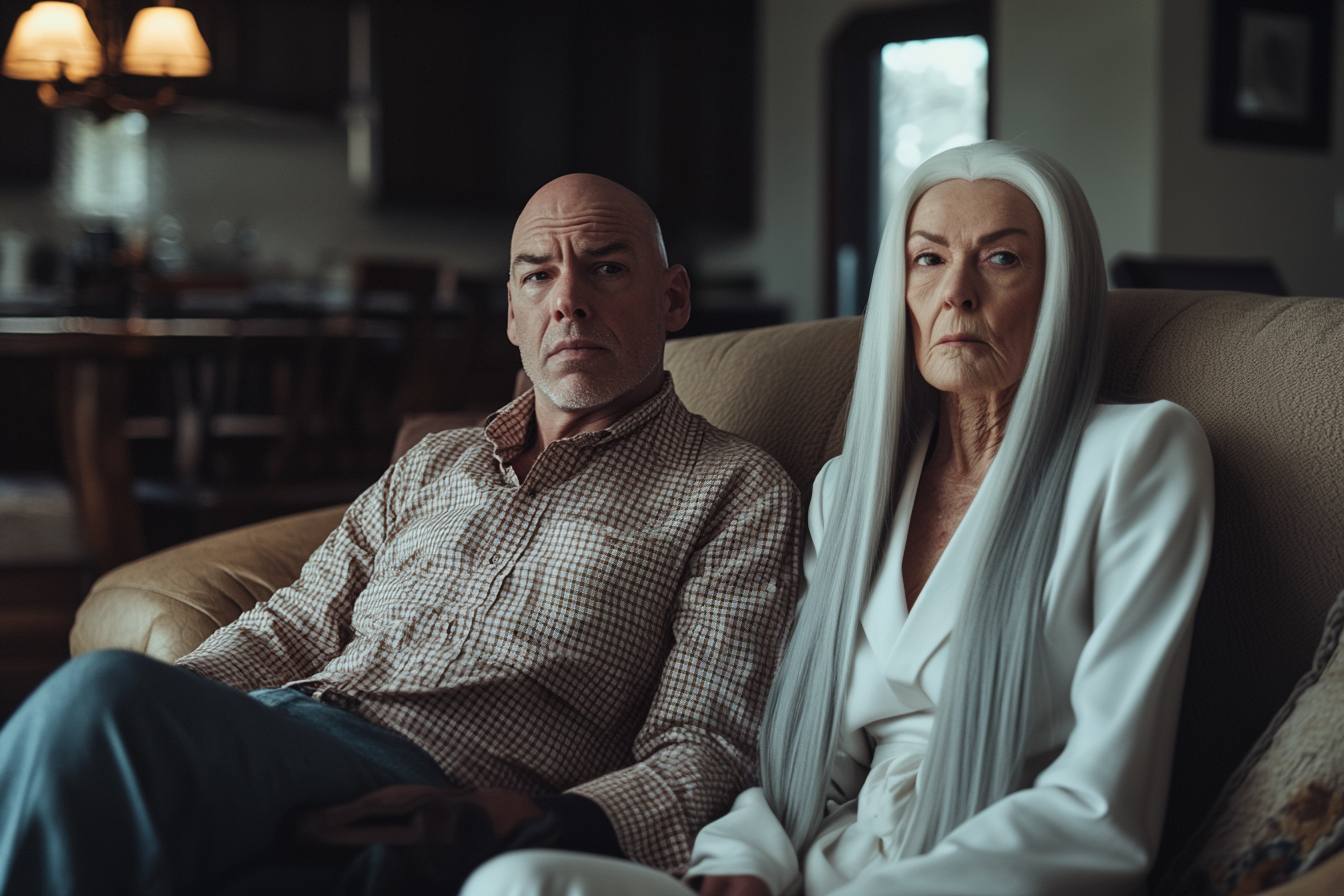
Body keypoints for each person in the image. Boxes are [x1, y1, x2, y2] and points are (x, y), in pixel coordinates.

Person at [0, 174, 801, 895]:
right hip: (294, 732)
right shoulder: (436, 463)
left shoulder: (733, 489)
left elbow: (705, 745)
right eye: (538, 275)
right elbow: (295, 623)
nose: (569, 299)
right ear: (515, 317)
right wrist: (177, 713)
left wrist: (528, 823)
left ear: (673, 301)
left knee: (97, 700)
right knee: (105, 726)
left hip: (439, 788)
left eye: (607, 267)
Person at [459, 141, 1215, 896]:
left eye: (1002, 260)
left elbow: (1101, 810)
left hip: (982, 878)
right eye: (928, 260)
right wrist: (741, 859)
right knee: (518, 880)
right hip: (824, 864)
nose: (957, 292)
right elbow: (811, 759)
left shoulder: (1139, 456)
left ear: (1063, 289)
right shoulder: (846, 491)